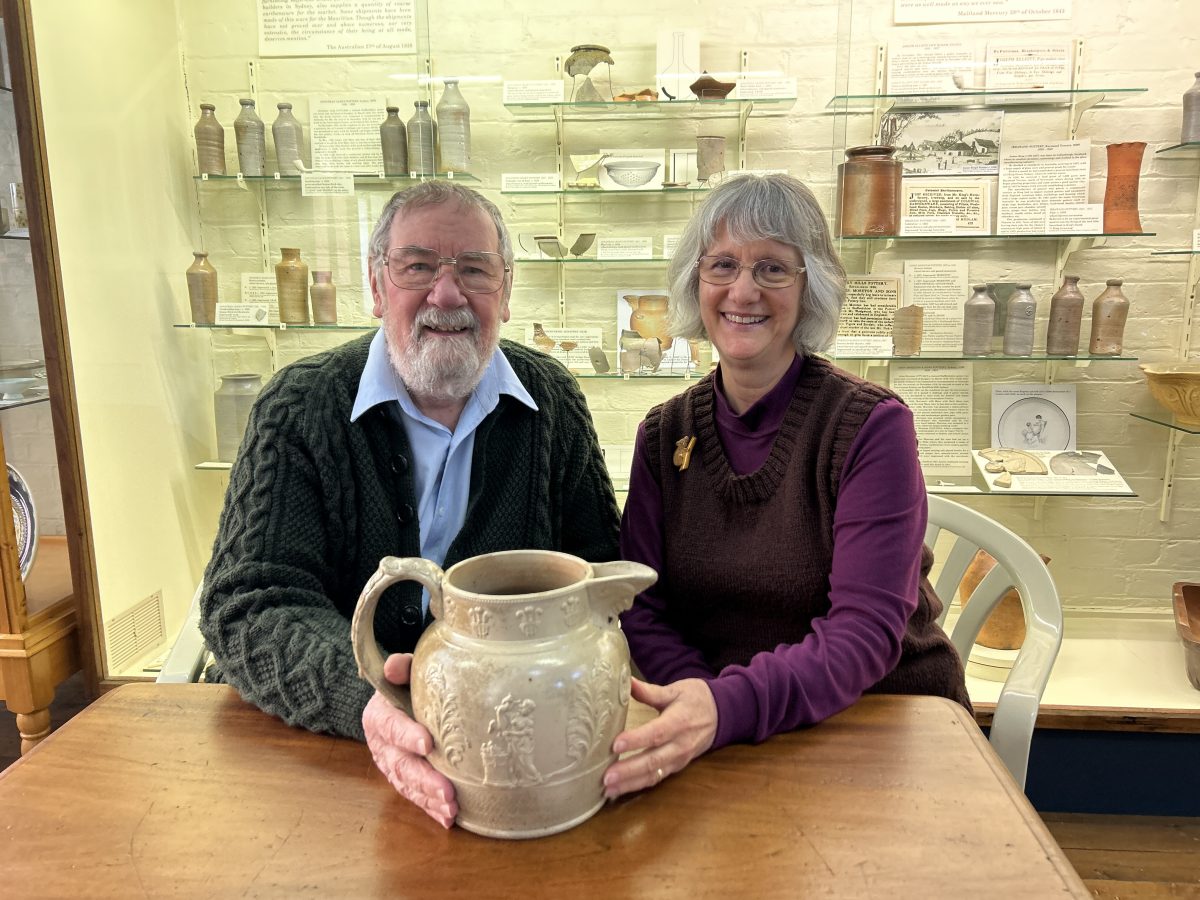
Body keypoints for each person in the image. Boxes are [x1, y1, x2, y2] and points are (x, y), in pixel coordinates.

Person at [199, 181, 620, 827]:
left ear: (504, 293)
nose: (446, 295)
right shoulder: (299, 409)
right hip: (336, 761)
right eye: (418, 266)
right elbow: (248, 603)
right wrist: (368, 696)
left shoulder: (551, 403)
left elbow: (599, 571)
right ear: (376, 287)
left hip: (517, 757)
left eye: (474, 270)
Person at [602, 173, 971, 799]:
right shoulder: (664, 435)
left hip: (878, 722)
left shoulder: (870, 427)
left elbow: (863, 632)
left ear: (810, 289)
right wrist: (704, 704)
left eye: (772, 268)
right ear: (697, 282)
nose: (743, 290)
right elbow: (641, 602)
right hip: (724, 731)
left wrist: (722, 706)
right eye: (722, 264)